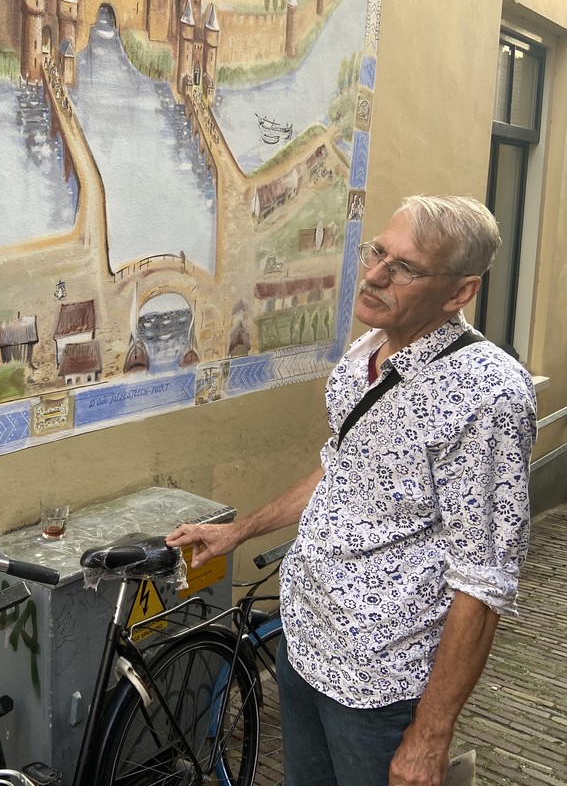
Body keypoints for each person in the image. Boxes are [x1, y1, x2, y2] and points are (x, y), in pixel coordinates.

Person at [167, 195, 536, 786]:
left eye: (406, 268)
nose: (374, 276)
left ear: (460, 292)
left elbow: (485, 579)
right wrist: (239, 531)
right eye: (378, 253)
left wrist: (430, 736)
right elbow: (341, 471)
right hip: (305, 642)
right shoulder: (369, 350)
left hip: (379, 682)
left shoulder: (487, 396)